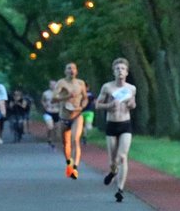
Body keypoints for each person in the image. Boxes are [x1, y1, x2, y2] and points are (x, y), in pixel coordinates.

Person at [95, 58, 137, 202]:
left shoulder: (131, 88)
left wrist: (131, 103)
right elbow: (97, 105)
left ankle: (120, 189)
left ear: (126, 72)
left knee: (123, 157)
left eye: (122, 68)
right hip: (111, 124)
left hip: (125, 124)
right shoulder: (107, 87)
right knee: (113, 161)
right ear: (113, 71)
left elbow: (133, 104)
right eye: (117, 68)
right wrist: (108, 106)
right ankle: (112, 172)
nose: (120, 71)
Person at [52, 62, 88, 179]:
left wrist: (82, 106)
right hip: (64, 117)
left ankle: (75, 167)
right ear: (65, 71)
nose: (71, 70)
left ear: (76, 71)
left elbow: (85, 98)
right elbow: (54, 99)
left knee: (75, 140)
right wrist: (66, 97)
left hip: (77, 115)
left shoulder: (81, 83)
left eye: (73, 68)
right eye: (69, 68)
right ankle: (69, 163)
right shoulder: (61, 83)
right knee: (66, 143)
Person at [41, 80, 60, 150]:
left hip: (57, 112)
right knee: (50, 127)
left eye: (54, 84)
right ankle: (49, 138)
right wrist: (45, 105)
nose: (53, 86)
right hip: (48, 112)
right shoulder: (45, 93)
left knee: (56, 128)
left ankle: (53, 140)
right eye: (51, 85)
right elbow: (42, 100)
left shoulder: (59, 93)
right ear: (49, 85)